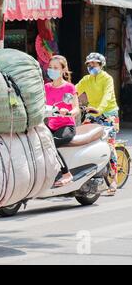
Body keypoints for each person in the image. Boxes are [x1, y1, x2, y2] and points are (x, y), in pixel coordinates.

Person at [76, 52, 119, 195]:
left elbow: (107, 96)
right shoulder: (86, 79)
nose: (91, 66)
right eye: (89, 64)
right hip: (92, 113)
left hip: (108, 114)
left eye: (94, 64)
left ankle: (113, 180)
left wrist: (100, 109)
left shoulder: (107, 79)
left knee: (109, 144)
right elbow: (73, 91)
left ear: (101, 65)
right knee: (80, 139)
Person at [45, 55, 80, 187]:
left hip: (66, 126)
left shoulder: (69, 88)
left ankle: (66, 174)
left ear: (63, 70)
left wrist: (69, 112)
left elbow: (76, 109)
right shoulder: (46, 87)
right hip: (51, 125)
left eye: (55, 68)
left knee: (50, 144)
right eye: (50, 67)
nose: (52, 70)